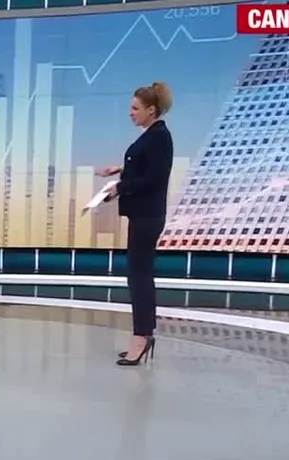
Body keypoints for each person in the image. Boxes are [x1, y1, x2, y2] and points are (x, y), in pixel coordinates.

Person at [97, 82, 174, 367]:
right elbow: (146, 168)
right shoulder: (153, 136)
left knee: (139, 278)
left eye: (135, 108)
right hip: (142, 215)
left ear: (151, 110)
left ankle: (141, 337)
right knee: (138, 275)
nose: (131, 113)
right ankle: (143, 334)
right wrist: (122, 170)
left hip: (148, 217)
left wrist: (120, 187)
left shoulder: (159, 137)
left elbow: (154, 178)